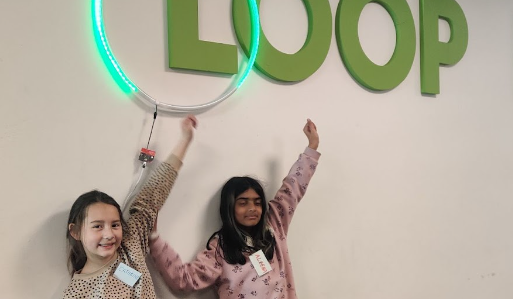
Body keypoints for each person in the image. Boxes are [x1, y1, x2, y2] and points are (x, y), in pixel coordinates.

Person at [150, 119, 321, 299]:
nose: (252, 208)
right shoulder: (221, 248)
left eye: (257, 202)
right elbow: (184, 280)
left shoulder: (274, 226)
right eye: (243, 203)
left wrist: (312, 147)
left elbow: (292, 189)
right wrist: (154, 238)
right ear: (230, 207)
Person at [63, 115, 198, 299]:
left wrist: (185, 139)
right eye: (97, 226)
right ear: (75, 232)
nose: (109, 234)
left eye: (115, 225)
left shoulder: (129, 245)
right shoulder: (77, 294)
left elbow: (153, 193)